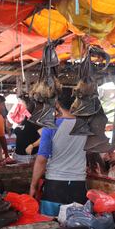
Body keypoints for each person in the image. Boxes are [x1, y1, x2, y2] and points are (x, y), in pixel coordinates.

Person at [29, 88, 87, 216]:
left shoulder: (50, 127)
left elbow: (41, 160)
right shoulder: (86, 126)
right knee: (77, 227)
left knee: (51, 228)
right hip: (79, 186)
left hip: (55, 187)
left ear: (57, 104)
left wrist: (33, 185)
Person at [13, 97, 42, 164]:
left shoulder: (35, 121)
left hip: (27, 158)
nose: (20, 106)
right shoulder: (26, 119)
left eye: (22, 104)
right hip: (18, 156)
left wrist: (32, 145)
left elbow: (44, 136)